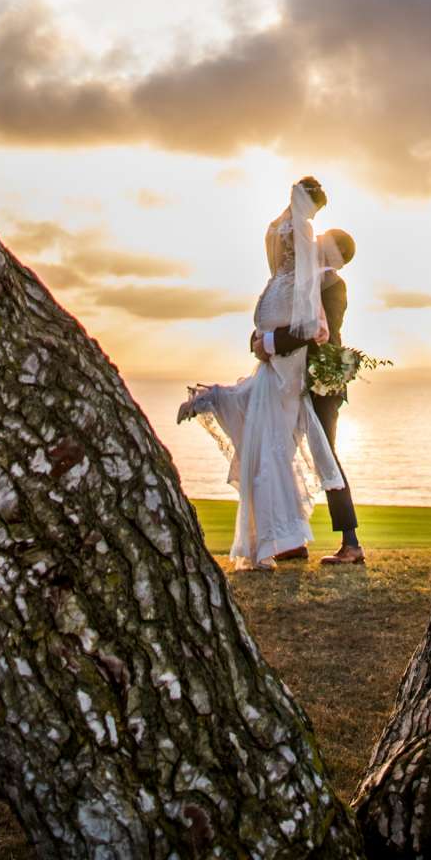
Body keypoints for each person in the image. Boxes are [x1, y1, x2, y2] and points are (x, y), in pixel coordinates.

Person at [177, 176, 347, 568]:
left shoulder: (273, 228)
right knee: (274, 440)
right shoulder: (302, 230)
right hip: (285, 342)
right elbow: (305, 303)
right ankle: (275, 539)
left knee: (266, 425)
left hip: (271, 323)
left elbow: (277, 273)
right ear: (314, 207)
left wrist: (265, 336)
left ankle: (214, 397)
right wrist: (311, 328)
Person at [254, 227, 363, 565]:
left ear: (339, 257)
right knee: (282, 453)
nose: (316, 246)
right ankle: (292, 539)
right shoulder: (300, 279)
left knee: (325, 454)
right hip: (291, 380)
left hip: (321, 383)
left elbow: (313, 332)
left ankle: (351, 544)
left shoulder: (333, 286)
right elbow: (280, 316)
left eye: (325, 244)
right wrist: (259, 342)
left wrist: (269, 344)